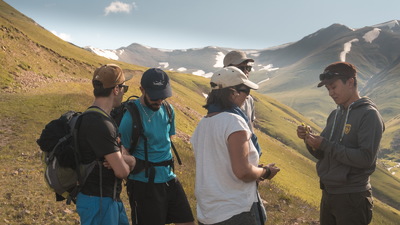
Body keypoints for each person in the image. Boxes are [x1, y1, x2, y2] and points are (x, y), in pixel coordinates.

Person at [296, 62, 385, 225]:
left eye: (334, 87)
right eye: (328, 89)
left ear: (350, 82)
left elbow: (366, 159)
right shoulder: (335, 114)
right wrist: (309, 141)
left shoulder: (369, 115)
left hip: (353, 198)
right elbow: (322, 153)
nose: (330, 93)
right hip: (329, 194)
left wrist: (325, 145)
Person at [191, 66, 280, 225]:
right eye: (245, 90)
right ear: (233, 92)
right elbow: (243, 172)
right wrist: (265, 172)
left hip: (208, 212)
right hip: (235, 211)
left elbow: (219, 165)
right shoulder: (234, 121)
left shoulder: (203, 124)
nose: (247, 96)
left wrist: (255, 169)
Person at [119, 68, 195, 225]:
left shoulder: (168, 110)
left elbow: (167, 140)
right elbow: (122, 153)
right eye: (154, 96)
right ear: (142, 90)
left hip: (169, 178)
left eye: (163, 95)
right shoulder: (130, 117)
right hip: (144, 185)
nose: (159, 100)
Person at [76, 64, 136, 225]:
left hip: (106, 199)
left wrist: (127, 160)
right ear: (116, 89)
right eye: (124, 87)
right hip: (98, 201)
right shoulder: (101, 123)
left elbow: (124, 160)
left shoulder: (97, 117)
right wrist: (129, 161)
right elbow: (122, 171)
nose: (124, 92)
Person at [224, 50, 262, 155]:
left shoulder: (249, 99)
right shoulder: (221, 99)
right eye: (241, 68)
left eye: (248, 68)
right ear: (228, 70)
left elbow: (250, 126)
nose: (246, 71)